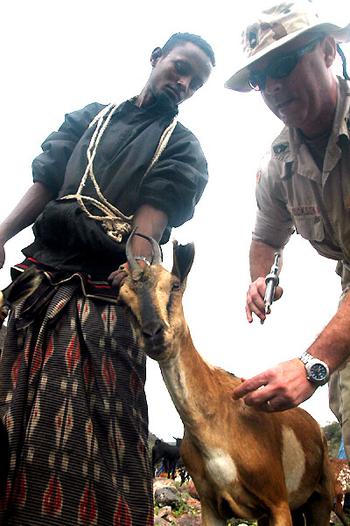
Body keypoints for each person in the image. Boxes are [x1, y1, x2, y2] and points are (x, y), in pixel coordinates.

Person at [0, 33, 215, 525]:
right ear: (156, 57)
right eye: (180, 68)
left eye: (196, 82)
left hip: (101, 297)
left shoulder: (181, 148)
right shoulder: (89, 119)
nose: (184, 83)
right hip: (36, 287)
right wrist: (2, 232)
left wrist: (138, 275)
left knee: (95, 435)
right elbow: (47, 182)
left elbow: (148, 227)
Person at [224, 2, 350, 457]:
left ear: (328, 51)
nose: (274, 87)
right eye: (261, 79)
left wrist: (312, 365)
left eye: (282, 64)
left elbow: (318, 363)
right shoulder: (278, 166)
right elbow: (266, 236)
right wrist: (261, 278)